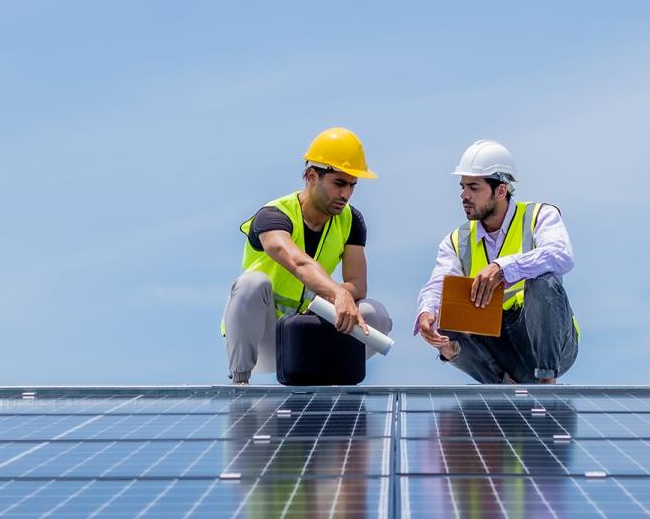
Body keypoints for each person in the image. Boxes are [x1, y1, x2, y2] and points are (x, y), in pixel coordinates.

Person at [223, 127, 394, 384]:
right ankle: (239, 383)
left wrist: (336, 299)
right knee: (252, 284)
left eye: (352, 185)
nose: (346, 194)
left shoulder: (351, 221)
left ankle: (323, 382)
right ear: (311, 175)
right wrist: (337, 294)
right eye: (339, 183)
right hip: (263, 340)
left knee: (375, 314)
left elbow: (358, 285)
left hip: (306, 336)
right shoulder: (273, 216)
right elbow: (297, 261)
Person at [413, 139, 579, 384]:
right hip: (500, 349)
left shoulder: (539, 216)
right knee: (444, 312)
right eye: (462, 187)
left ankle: (546, 384)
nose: (464, 195)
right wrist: (427, 312)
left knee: (544, 282)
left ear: (501, 190)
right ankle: (504, 384)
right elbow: (438, 283)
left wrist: (504, 267)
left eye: (473, 187)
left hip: (549, 346)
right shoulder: (456, 241)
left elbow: (561, 255)